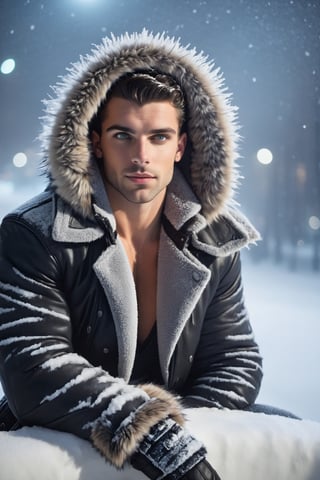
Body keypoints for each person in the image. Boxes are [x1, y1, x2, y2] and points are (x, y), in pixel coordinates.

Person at [0, 31, 263, 479]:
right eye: (124, 135)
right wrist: (154, 438)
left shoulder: (216, 240)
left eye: (159, 137)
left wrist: (185, 439)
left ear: (180, 146)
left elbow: (234, 361)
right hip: (51, 449)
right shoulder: (33, 234)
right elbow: (34, 365)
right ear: (97, 141)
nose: (141, 156)